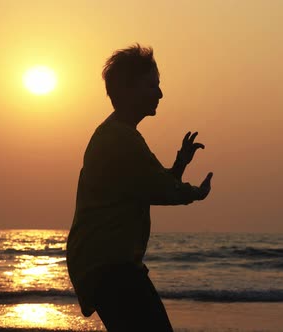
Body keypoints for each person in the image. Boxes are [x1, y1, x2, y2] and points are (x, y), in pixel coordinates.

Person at [66, 44, 213, 331]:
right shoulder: (120, 139)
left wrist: (180, 164)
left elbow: (149, 183)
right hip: (109, 267)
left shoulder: (119, 134)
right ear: (130, 89)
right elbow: (162, 190)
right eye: (153, 86)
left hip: (104, 264)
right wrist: (197, 193)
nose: (160, 94)